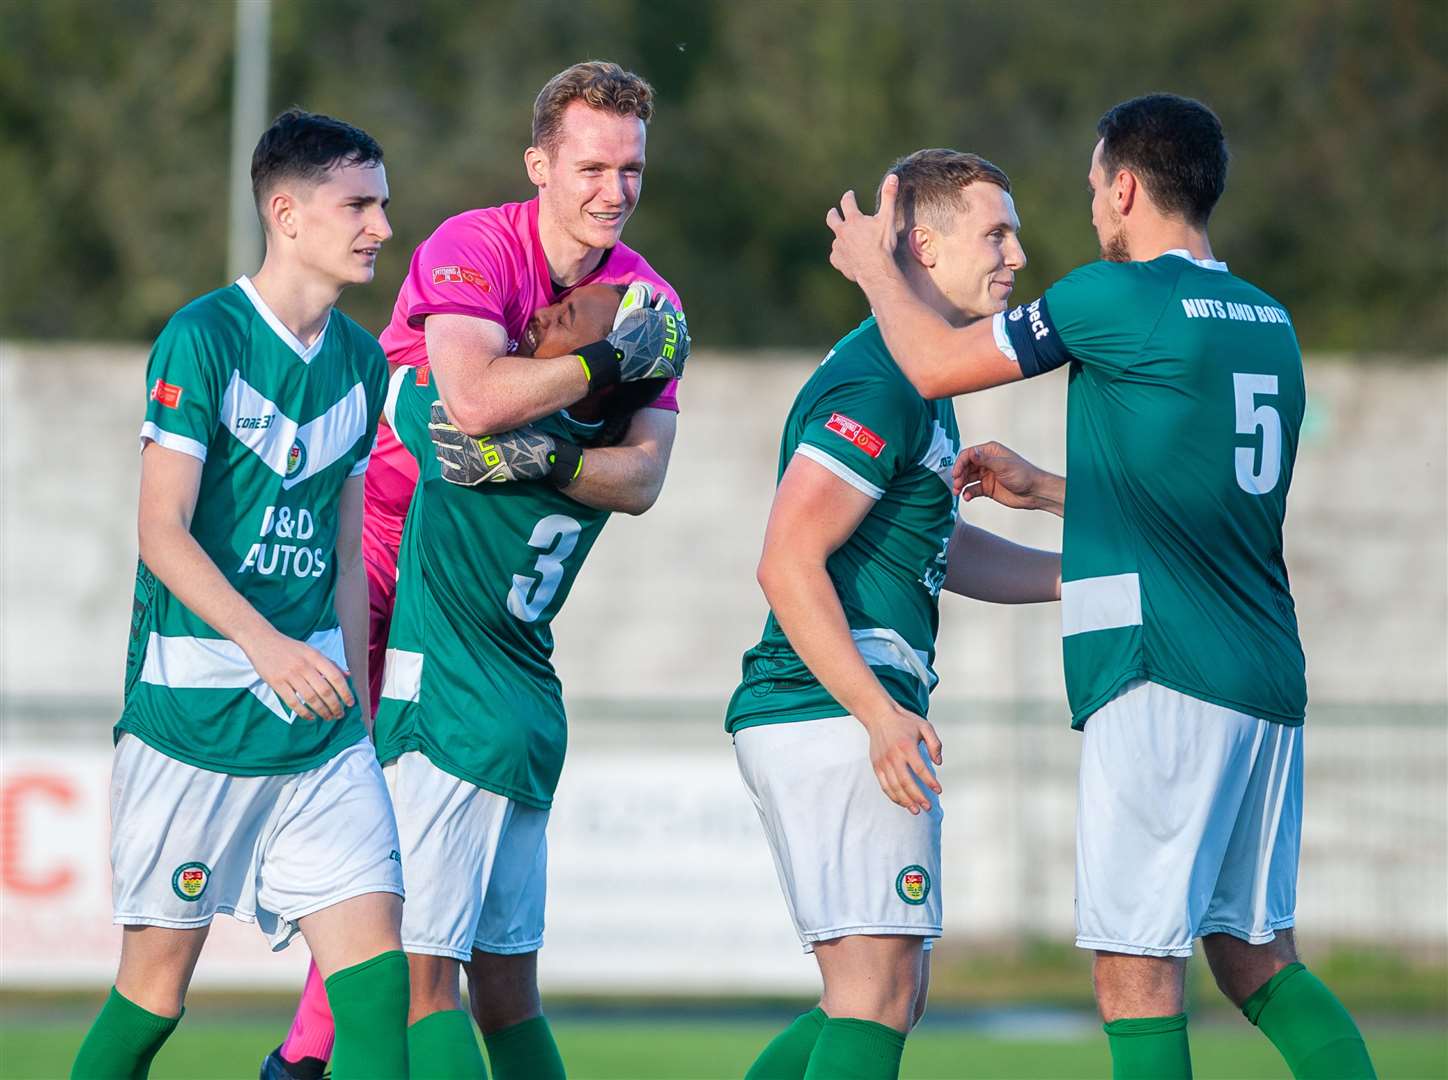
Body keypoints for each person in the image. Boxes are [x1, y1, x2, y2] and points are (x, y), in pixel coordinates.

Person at [827, 94, 1375, 1080]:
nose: (1086, 212)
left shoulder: (1109, 298)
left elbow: (931, 363)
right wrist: (1049, 494)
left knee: (1133, 968)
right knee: (1254, 958)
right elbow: (1203, 509)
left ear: (1122, 187)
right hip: (1262, 673)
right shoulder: (1266, 319)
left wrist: (875, 268)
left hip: (1161, 670)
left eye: (1088, 189)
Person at [264, 60, 687, 1080]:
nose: (614, 191)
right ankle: (303, 1058)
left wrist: (546, 446)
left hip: (443, 633)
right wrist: (594, 375)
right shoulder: (476, 246)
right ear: (538, 165)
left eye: (630, 169)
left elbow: (631, 475)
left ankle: (300, 1065)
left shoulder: (647, 300)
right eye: (591, 167)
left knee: (386, 926)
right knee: (469, 965)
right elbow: (477, 404)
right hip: (378, 572)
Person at [72, 109, 408, 1080]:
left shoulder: (359, 360)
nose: (381, 226)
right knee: (153, 995)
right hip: (194, 721)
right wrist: (271, 648)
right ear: (287, 212)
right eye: (359, 205)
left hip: (318, 733)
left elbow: (346, 555)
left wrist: (359, 713)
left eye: (383, 205)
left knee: (378, 984)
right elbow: (160, 533)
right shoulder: (202, 338)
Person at [727, 150, 1060, 1080]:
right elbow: (786, 560)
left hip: (833, 708)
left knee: (881, 994)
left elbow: (946, 552)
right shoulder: (883, 380)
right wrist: (878, 715)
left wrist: (1089, 578)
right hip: (832, 709)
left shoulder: (923, 380)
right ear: (923, 244)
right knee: (877, 995)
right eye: (996, 232)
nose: (1017, 254)